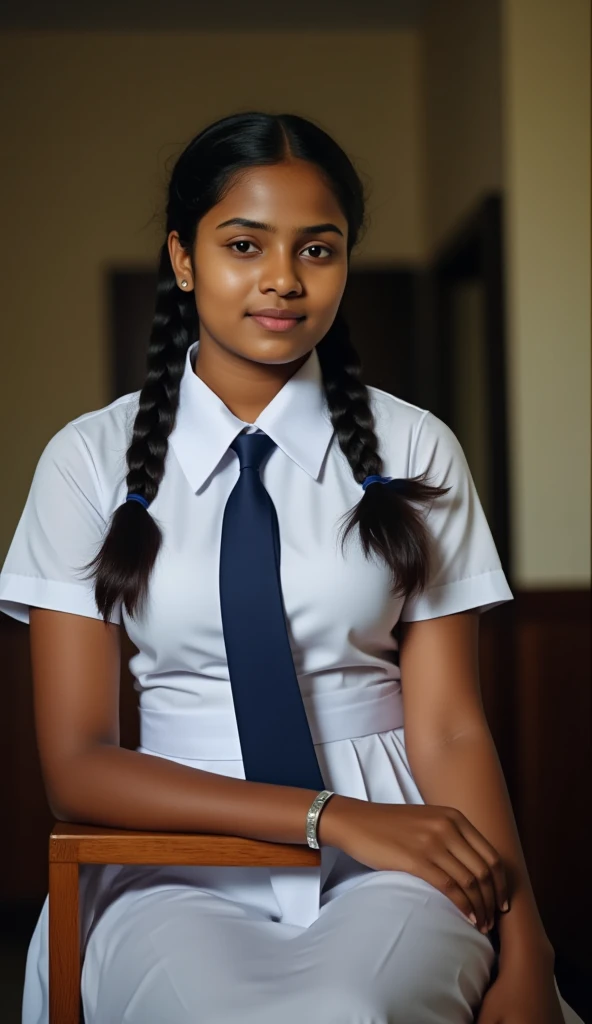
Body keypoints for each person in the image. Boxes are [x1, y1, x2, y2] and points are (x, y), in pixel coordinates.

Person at [0, 111, 579, 1024]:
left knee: (352, 1006)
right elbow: (77, 762)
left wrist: (528, 945)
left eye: (318, 249)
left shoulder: (416, 445)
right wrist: (327, 814)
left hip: (399, 840)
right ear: (184, 261)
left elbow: (453, 731)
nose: (282, 279)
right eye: (243, 244)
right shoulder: (86, 461)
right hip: (171, 852)